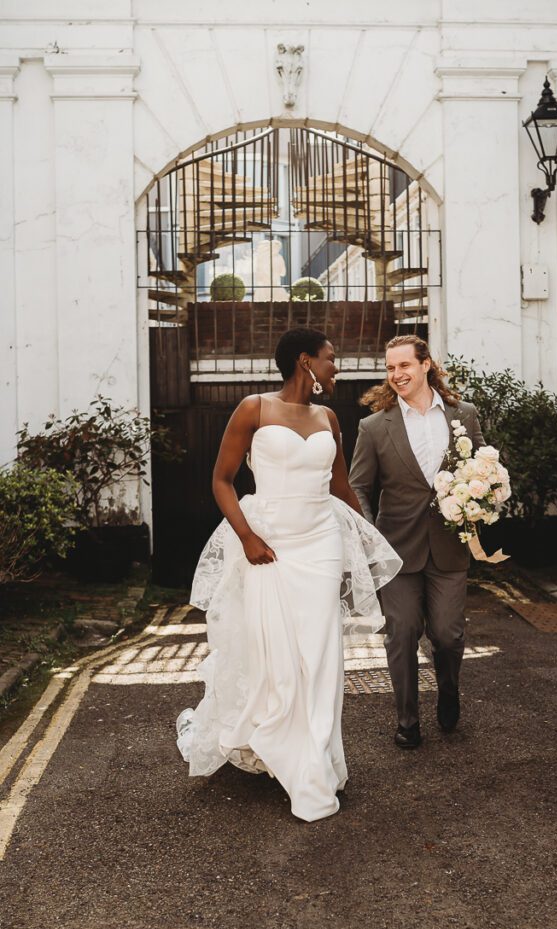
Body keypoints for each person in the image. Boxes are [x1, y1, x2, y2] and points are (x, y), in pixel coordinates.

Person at [177, 327, 401, 822]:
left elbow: (342, 489)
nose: (336, 366)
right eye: (330, 358)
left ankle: (314, 759)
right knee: (276, 654)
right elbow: (221, 480)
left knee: (320, 655)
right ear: (305, 362)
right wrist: (247, 538)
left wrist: (370, 544)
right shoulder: (253, 409)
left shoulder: (329, 418)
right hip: (269, 546)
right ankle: (276, 740)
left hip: (320, 545)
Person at [349, 335, 484, 750]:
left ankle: (448, 689)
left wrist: (480, 500)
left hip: (449, 544)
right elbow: (358, 487)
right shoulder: (373, 427)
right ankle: (407, 720)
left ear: (426, 365)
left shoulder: (465, 414)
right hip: (396, 548)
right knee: (402, 632)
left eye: (404, 366)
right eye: (390, 368)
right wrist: (371, 539)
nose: (396, 375)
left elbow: (485, 465)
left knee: (448, 634)